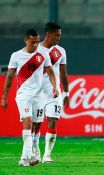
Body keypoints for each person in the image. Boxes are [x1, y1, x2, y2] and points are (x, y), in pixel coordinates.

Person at [0, 29, 58, 166]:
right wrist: (4, 97)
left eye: (37, 42)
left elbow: (50, 72)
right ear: (26, 40)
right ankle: (31, 155)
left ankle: (23, 158)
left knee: (36, 126)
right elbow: (9, 77)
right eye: (32, 42)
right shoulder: (16, 56)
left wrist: (55, 87)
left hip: (40, 96)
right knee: (28, 123)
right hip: (24, 95)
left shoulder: (43, 54)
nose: (35, 45)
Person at [32, 22, 69, 163]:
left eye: (60, 35)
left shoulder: (60, 51)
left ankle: (47, 155)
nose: (59, 38)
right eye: (56, 35)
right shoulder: (35, 50)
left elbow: (63, 74)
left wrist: (66, 93)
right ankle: (36, 151)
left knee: (53, 122)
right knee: (36, 124)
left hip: (54, 93)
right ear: (48, 34)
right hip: (37, 94)